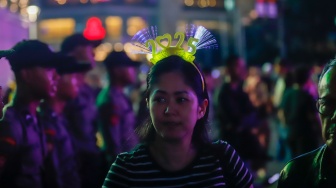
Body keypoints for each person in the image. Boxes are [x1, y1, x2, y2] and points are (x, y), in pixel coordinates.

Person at [103, 55, 254, 187]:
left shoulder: (222, 159)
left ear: (201, 108)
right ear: (148, 104)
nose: (169, 110)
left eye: (181, 99)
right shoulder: (125, 170)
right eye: (160, 99)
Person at [0, 40, 62, 187]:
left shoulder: (35, 118)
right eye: (48, 69)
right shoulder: (11, 124)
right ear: (26, 74)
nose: (56, 76)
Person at [277, 58, 336, 187]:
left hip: (293, 133)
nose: (334, 116)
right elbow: (312, 116)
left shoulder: (288, 94)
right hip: (305, 135)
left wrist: (286, 126)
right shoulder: (294, 175)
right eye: (328, 104)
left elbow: (281, 112)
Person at [38, 57, 92, 188]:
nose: (78, 83)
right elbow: (55, 174)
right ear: (56, 80)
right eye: (73, 76)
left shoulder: (61, 117)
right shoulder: (46, 121)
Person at [60, 33, 103, 187]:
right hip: (73, 165)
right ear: (73, 51)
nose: (93, 53)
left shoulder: (86, 89)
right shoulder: (61, 88)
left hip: (89, 161)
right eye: (88, 48)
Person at [96, 51, 139, 165]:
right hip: (123, 166)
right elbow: (113, 143)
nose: (133, 71)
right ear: (117, 70)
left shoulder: (120, 96)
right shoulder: (110, 100)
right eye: (129, 67)